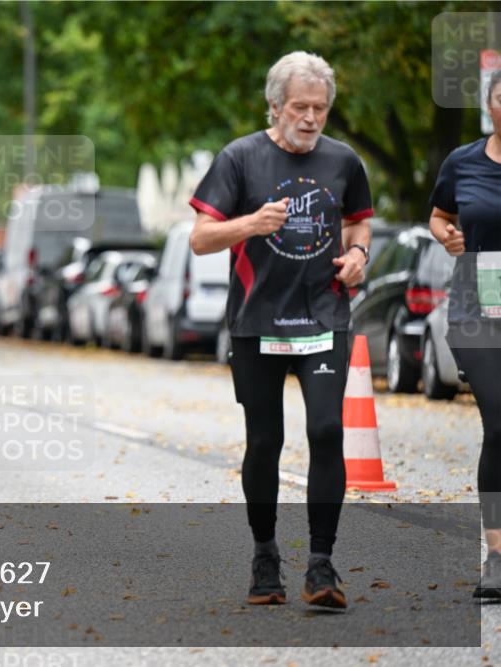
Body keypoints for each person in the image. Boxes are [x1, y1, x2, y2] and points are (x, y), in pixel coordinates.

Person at [189, 52, 372, 609]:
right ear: (275, 106)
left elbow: (358, 218)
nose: (312, 117)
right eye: (300, 107)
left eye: (320, 108)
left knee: (326, 431)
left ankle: (322, 563)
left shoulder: (344, 161)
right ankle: (265, 557)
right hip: (257, 322)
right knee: (265, 441)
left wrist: (360, 252)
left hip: (323, 318)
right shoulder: (239, 158)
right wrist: (251, 223)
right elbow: (200, 237)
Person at [428, 68, 501, 600]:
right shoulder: (464, 162)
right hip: (478, 306)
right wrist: (448, 237)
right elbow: (438, 215)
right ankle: (498, 557)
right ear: (490, 104)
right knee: (499, 422)